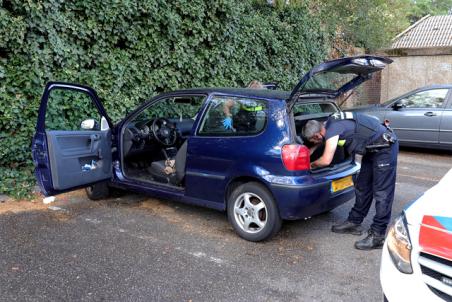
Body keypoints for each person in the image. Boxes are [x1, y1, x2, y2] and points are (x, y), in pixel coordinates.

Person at [302, 112, 399, 250]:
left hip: (385, 147)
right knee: (363, 187)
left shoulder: (332, 130)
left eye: (314, 140)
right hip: (371, 149)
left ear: (317, 135)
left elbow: (325, 160)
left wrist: (310, 165)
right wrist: (306, 154)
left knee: (382, 193)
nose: (316, 143)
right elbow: (317, 144)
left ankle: (378, 235)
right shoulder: (327, 124)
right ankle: (354, 222)